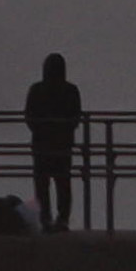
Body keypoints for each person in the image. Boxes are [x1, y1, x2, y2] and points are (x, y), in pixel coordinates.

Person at [26, 51, 86, 232]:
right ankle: (62, 219)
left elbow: (29, 116)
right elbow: (75, 117)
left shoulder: (36, 89)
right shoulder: (71, 90)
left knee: (42, 183)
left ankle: (45, 218)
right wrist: (62, 131)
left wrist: (42, 130)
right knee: (63, 183)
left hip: (41, 144)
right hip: (62, 145)